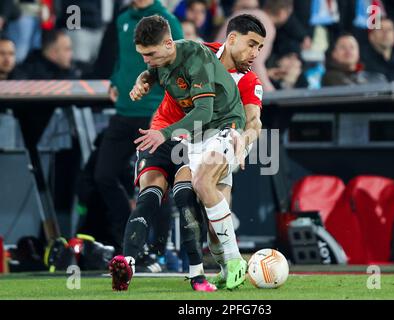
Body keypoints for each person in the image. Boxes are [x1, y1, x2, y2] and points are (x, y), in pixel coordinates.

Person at [109, 14, 262, 292]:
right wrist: (143, 80)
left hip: (219, 129)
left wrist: (246, 141)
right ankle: (140, 261)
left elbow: (250, 120)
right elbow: (155, 68)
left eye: (259, 47)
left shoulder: (242, 78)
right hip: (179, 133)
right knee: (161, 191)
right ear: (231, 39)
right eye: (251, 45)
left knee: (197, 189)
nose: (255, 53)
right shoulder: (188, 50)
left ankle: (216, 267)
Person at [93, 0, 183, 253]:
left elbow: (179, 63)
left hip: (154, 115)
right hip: (124, 111)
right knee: (103, 175)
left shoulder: (168, 21)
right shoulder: (122, 20)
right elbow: (121, 59)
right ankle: (131, 237)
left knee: (157, 181)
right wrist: (114, 80)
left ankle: (159, 250)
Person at [215, 0, 293, 92]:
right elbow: (254, 63)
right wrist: (272, 94)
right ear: (282, 13)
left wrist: (266, 73)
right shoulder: (266, 25)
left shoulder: (242, 14)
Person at [322, 33, 387, 86]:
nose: (348, 51)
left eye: (352, 47)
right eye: (343, 47)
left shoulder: (371, 76)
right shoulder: (330, 77)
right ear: (334, 54)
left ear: (358, 53)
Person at [362, 17, 394, 81]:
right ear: (371, 36)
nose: (385, 33)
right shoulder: (361, 61)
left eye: (389, 29)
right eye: (380, 29)